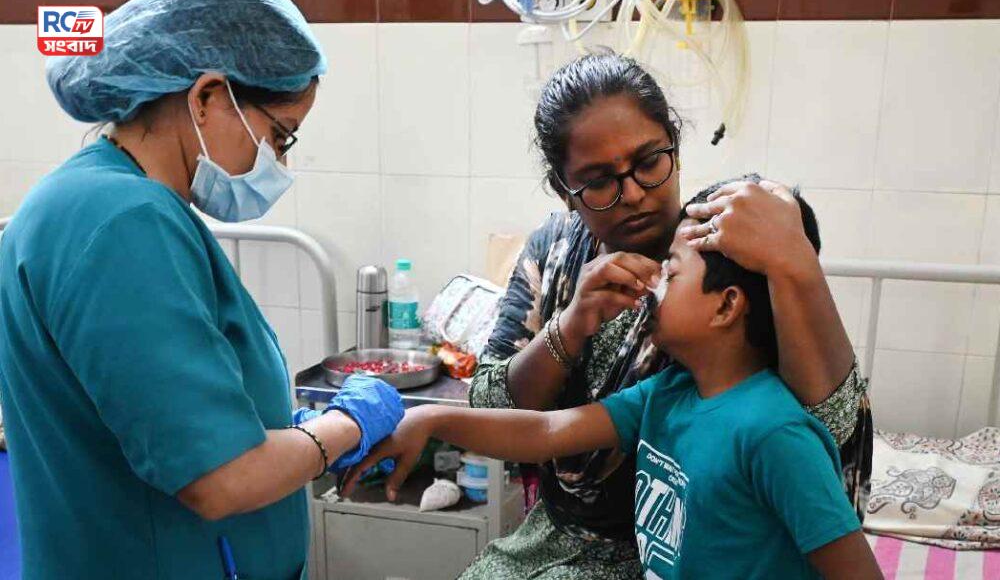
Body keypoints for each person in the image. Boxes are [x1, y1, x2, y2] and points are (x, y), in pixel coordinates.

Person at [0, 0, 403, 578]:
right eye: (280, 134)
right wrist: (344, 427)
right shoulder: (124, 223)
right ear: (209, 97)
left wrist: (285, 437)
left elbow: (155, 413)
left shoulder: (99, 201)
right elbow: (219, 479)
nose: (280, 162)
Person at [459, 53, 873, 577]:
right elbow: (505, 412)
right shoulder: (554, 254)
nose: (633, 194)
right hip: (558, 535)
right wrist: (571, 325)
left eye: (650, 161)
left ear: (674, 145)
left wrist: (794, 258)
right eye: (598, 181)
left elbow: (827, 433)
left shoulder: (722, 252)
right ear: (565, 191)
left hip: (689, 553)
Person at [344, 180, 883, 579]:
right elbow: (546, 431)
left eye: (672, 270)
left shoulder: (774, 435)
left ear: (726, 306)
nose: (654, 281)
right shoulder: (669, 395)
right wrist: (432, 418)